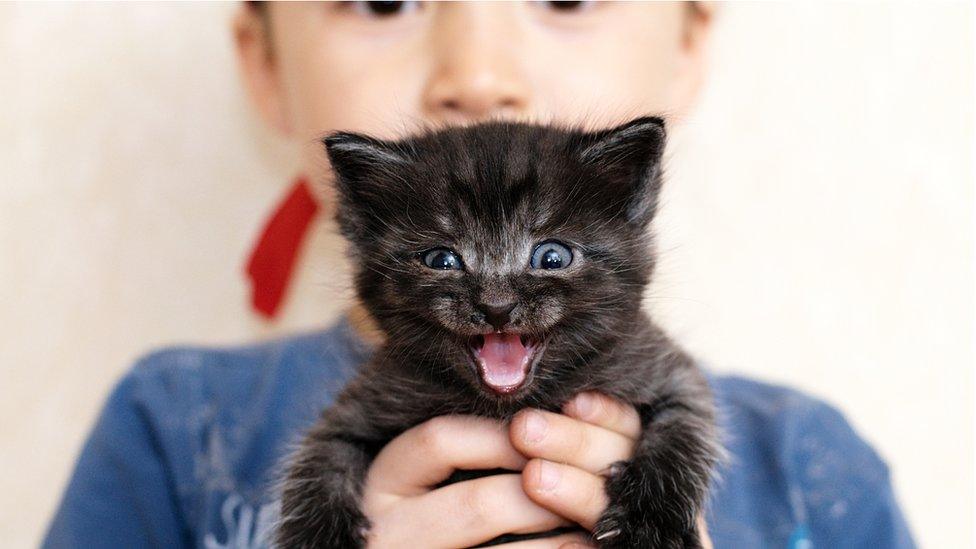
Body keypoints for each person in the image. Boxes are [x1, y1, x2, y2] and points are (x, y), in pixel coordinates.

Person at [43, 3, 916, 548]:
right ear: (265, 64)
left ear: (689, 41)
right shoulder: (171, 427)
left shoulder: (813, 464)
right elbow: (338, 448)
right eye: (384, 1)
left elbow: (678, 404)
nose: (479, 75)